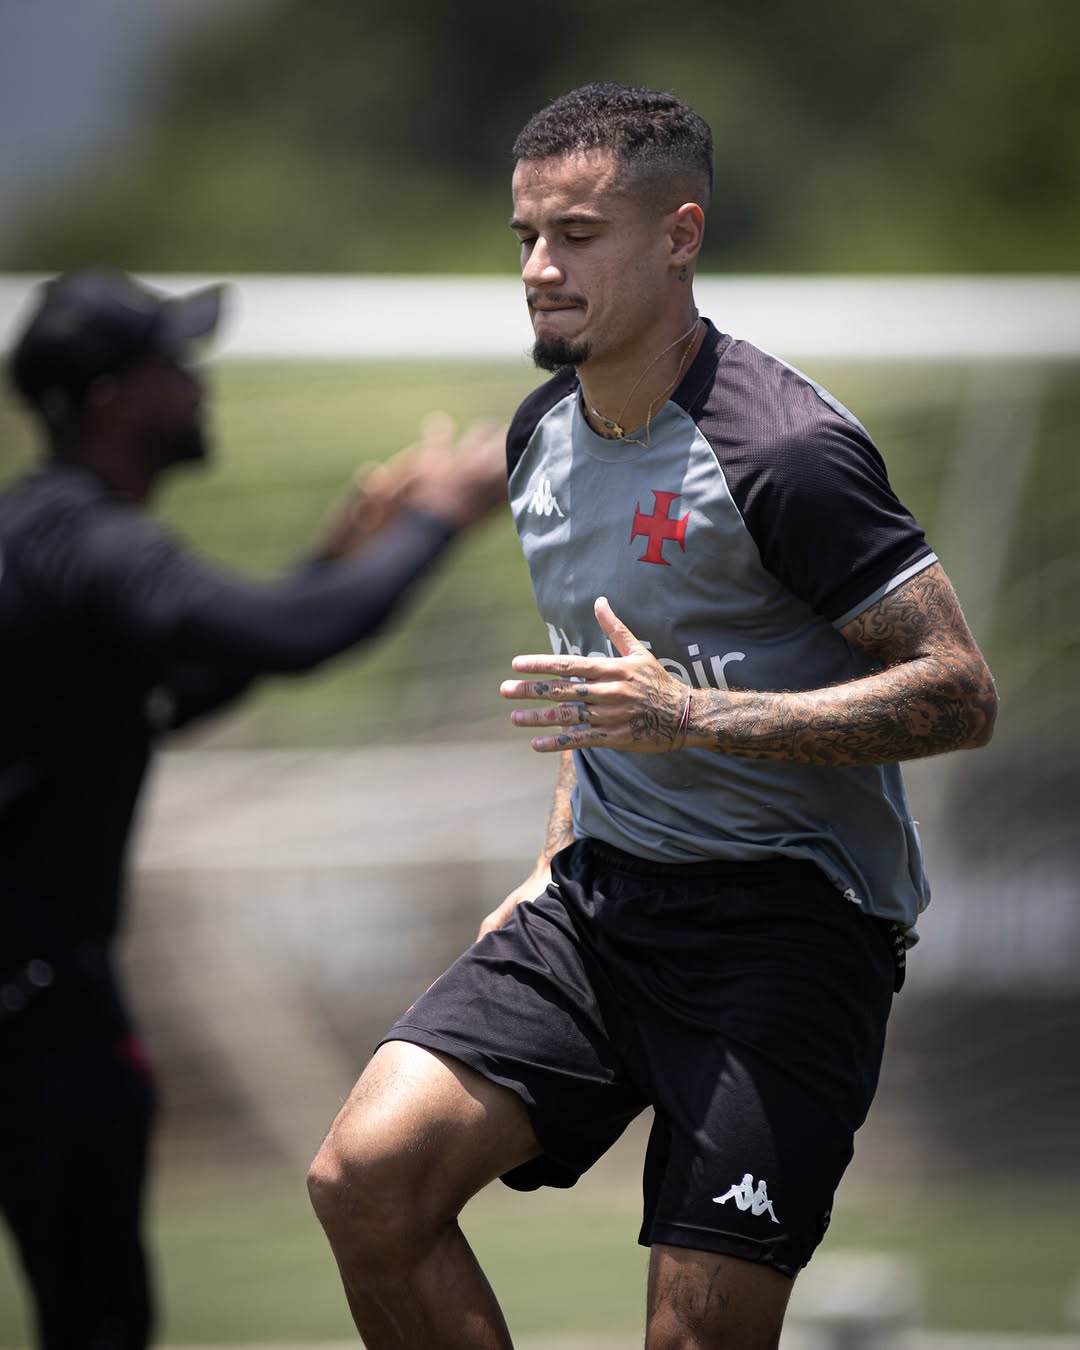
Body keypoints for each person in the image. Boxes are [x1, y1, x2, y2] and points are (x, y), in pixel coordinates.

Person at [306, 83, 999, 1349]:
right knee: (366, 1181)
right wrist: (551, 856)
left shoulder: (786, 451)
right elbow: (603, 689)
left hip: (791, 930)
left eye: (577, 235)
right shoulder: (541, 437)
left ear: (680, 236)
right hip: (602, 904)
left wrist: (695, 717)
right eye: (526, 236)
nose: (539, 268)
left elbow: (958, 692)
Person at [0, 265, 507, 1350]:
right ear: (111, 399)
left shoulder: (35, 540)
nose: (198, 383)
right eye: (172, 363)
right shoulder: (93, 544)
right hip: (35, 1011)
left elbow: (174, 692)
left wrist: (333, 558)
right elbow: (293, 636)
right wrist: (440, 519)